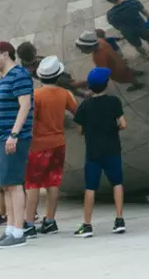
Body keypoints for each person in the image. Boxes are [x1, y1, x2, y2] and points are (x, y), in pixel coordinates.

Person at [0, 40, 34, 248]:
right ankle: (10, 229)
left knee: (14, 184)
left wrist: (14, 134)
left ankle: (18, 231)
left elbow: (25, 105)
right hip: (2, 137)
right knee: (6, 185)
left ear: (5, 54)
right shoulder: (3, 80)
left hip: (14, 138)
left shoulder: (19, 75)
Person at [24, 58, 78, 235]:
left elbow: (31, 121)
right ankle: (50, 221)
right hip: (58, 142)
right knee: (53, 182)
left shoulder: (36, 95)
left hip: (39, 144)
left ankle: (29, 223)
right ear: (58, 75)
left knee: (32, 184)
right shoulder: (65, 94)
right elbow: (77, 113)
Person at [71, 68, 127, 236]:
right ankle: (119, 220)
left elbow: (80, 130)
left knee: (90, 187)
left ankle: (87, 225)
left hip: (94, 152)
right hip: (112, 149)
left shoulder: (85, 106)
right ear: (107, 84)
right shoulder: (114, 102)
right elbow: (123, 124)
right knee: (117, 183)